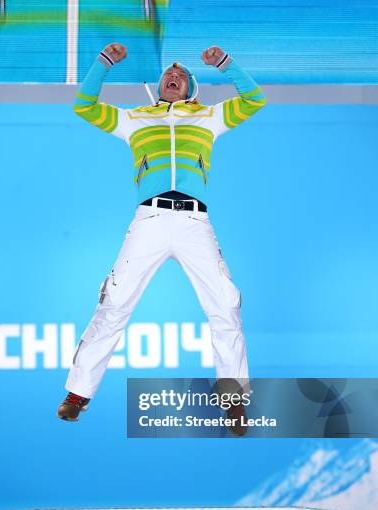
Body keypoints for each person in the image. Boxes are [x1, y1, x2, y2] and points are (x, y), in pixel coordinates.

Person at [57, 42, 267, 434]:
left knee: (225, 303)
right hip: (149, 219)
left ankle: (234, 400)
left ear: (190, 89)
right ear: (158, 87)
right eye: (168, 75)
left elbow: (254, 99)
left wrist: (225, 63)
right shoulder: (135, 119)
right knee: (114, 302)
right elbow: (84, 105)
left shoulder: (208, 117)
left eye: (182, 75)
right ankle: (77, 394)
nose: (173, 76)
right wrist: (104, 63)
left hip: (194, 223)